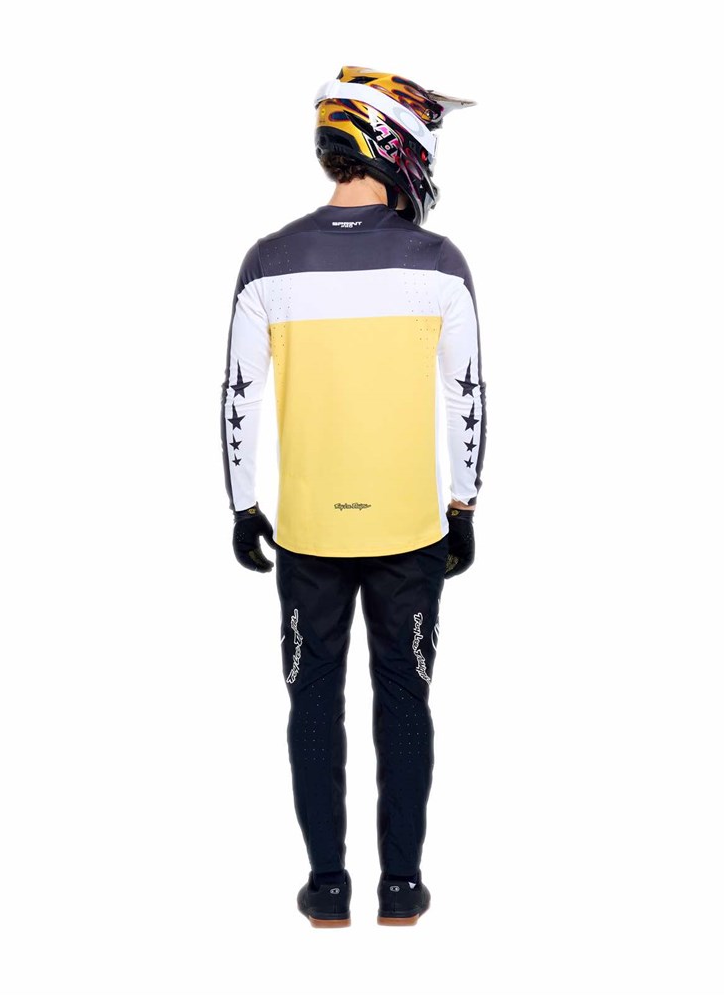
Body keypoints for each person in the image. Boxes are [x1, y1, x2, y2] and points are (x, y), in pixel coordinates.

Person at [219, 66, 487, 927]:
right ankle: (401, 887)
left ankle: (326, 887)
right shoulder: (438, 263)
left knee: (312, 701)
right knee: (405, 699)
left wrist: (241, 505)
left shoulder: (269, 261)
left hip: (307, 531)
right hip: (410, 528)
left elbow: (237, 396)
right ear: (399, 143)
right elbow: (468, 396)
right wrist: (465, 505)